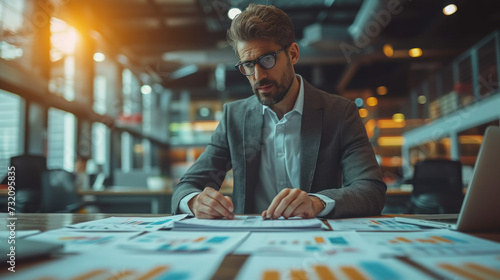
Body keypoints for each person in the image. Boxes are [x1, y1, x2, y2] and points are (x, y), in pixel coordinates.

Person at [172, 4, 386, 219]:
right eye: (248, 64)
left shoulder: (340, 113)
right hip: (251, 241)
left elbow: (370, 189)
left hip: (316, 241)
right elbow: (188, 185)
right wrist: (194, 201)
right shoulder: (234, 118)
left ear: (292, 54)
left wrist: (317, 203)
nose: (257, 75)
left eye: (267, 60)